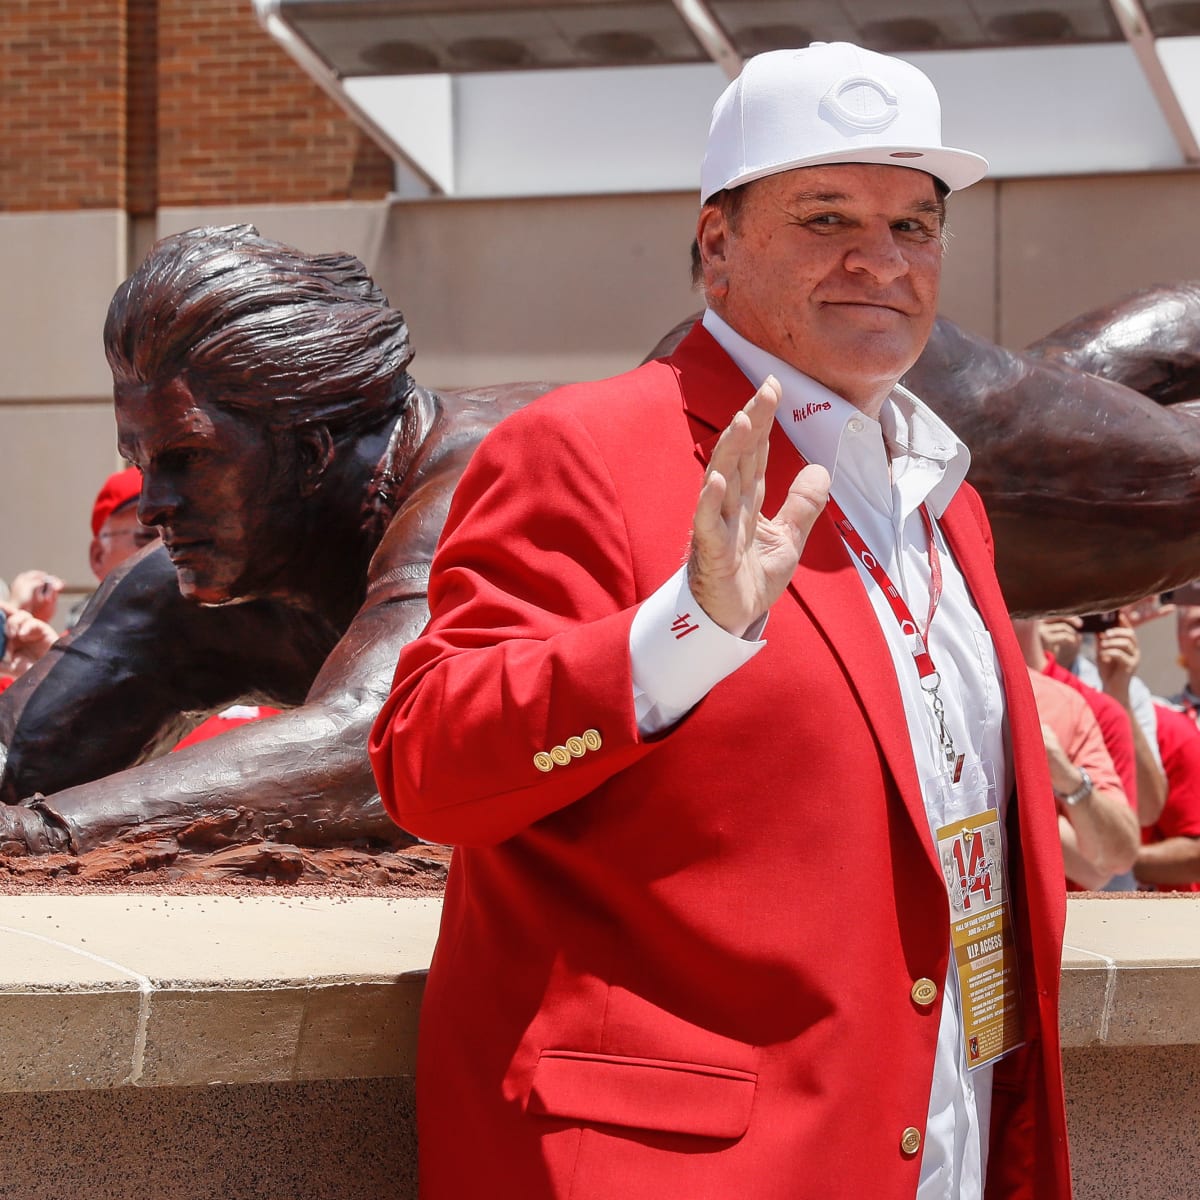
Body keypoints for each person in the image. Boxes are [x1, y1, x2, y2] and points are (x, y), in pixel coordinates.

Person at [371, 42, 1071, 1199]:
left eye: (916, 224)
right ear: (715, 246)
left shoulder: (945, 499)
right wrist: (681, 634)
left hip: (937, 1148)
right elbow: (426, 767)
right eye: (825, 215)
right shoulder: (583, 448)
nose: (879, 260)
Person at [0, 223, 552, 860]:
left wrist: (41, 834)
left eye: (186, 459)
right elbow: (20, 751)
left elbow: (383, 740)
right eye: (141, 464)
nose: (153, 507)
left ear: (308, 453)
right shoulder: (193, 582)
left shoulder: (489, 475)